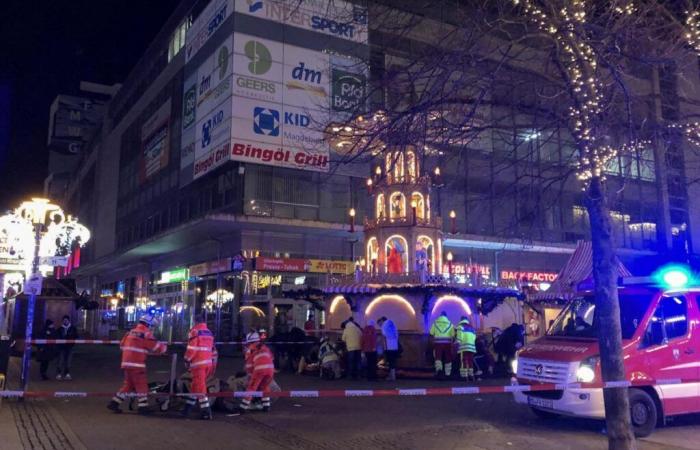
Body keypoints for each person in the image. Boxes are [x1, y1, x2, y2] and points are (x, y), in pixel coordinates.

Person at [107, 314, 167, 414]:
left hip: (126, 363)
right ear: (149, 324)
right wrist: (164, 348)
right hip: (137, 364)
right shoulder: (146, 334)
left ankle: (114, 403)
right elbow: (157, 348)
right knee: (141, 385)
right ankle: (143, 407)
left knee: (128, 385)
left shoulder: (130, 332)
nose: (152, 329)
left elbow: (122, 345)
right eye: (152, 326)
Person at [182, 314, 215, 420]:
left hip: (198, 364)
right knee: (196, 386)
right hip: (208, 363)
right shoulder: (209, 332)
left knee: (200, 388)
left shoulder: (195, 332)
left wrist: (187, 359)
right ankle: (187, 407)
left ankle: (206, 412)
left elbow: (192, 348)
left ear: (195, 321)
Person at [240, 331, 274, 412]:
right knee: (265, 386)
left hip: (259, 370)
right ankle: (266, 406)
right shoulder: (265, 348)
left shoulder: (251, 351)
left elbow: (249, 366)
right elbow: (272, 358)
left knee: (251, 387)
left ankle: (243, 407)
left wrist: (249, 374)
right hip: (270, 370)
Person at [429, 311, 455, 378]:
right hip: (447, 343)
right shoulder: (450, 324)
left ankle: (439, 371)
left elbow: (431, 333)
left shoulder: (435, 323)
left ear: (440, 316)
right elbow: (453, 335)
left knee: (438, 357)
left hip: (437, 343)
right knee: (448, 358)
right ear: (446, 316)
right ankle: (448, 373)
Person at [56, 315, 78, 380]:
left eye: (66, 320)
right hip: (62, 347)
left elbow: (76, 336)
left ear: (68, 321)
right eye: (64, 320)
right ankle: (59, 374)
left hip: (70, 347)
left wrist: (70, 338)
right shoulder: (60, 329)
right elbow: (57, 337)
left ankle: (67, 373)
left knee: (68, 361)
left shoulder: (73, 328)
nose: (65, 322)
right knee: (60, 360)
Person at [377, 316, 399, 381]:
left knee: (390, 362)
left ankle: (392, 377)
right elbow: (397, 335)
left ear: (381, 321)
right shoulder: (393, 324)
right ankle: (393, 376)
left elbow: (384, 335)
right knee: (393, 361)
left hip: (388, 347)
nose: (379, 325)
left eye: (379, 324)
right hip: (395, 346)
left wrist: (381, 346)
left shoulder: (384, 325)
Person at [455, 316, 477, 381]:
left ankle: (465, 377)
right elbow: (474, 338)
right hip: (471, 347)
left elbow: (459, 338)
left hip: (463, 347)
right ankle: (471, 376)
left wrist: (456, 344)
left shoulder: (460, 327)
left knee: (463, 361)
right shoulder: (472, 328)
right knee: (470, 361)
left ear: (461, 320)